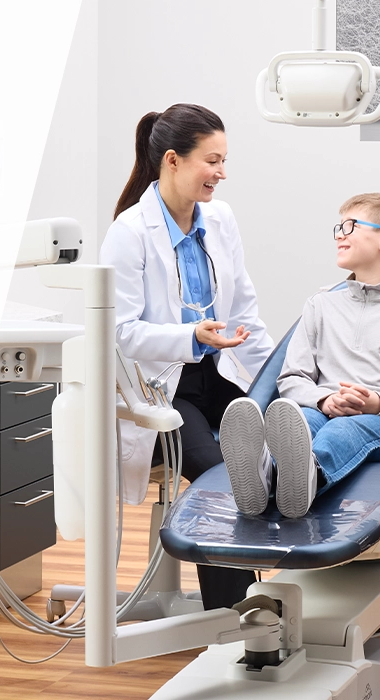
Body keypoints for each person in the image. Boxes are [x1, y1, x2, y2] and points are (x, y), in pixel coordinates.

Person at [100, 103, 273, 610]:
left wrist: (278, 380)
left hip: (214, 374)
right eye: (212, 161)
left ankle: (277, 594)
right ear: (173, 160)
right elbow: (121, 333)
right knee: (224, 479)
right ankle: (233, 617)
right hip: (159, 388)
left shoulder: (220, 219)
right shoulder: (130, 232)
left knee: (289, 454)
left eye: (224, 161)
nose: (221, 173)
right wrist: (191, 336)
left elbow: (244, 312)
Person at [214, 194, 380, 519]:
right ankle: (268, 475)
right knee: (305, 421)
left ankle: (305, 478)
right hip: (323, 411)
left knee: (342, 431)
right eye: (338, 227)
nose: (339, 235)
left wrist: (378, 404)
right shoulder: (321, 305)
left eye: (350, 226)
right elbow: (292, 379)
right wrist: (325, 400)